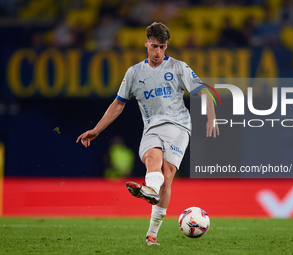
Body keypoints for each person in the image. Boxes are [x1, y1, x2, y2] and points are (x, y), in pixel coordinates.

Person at [76, 22, 219, 246]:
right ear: (146, 43)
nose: (158, 52)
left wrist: (211, 116)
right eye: (154, 46)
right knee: (152, 160)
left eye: (162, 47)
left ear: (167, 45)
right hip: (151, 127)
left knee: (167, 176)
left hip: (178, 126)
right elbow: (118, 104)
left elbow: (203, 91)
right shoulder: (134, 73)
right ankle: (150, 190)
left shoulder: (179, 67)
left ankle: (152, 232)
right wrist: (96, 129)